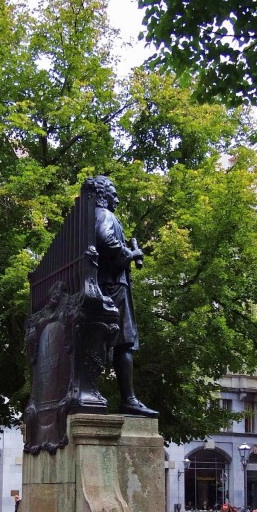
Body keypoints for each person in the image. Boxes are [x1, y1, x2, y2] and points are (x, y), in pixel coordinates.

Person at [86, 175, 156, 417]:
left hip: (105, 284)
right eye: (113, 193)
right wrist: (130, 253)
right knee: (124, 343)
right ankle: (129, 400)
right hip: (114, 286)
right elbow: (106, 239)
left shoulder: (90, 215)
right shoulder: (105, 215)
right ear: (103, 194)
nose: (116, 199)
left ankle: (122, 398)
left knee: (108, 343)